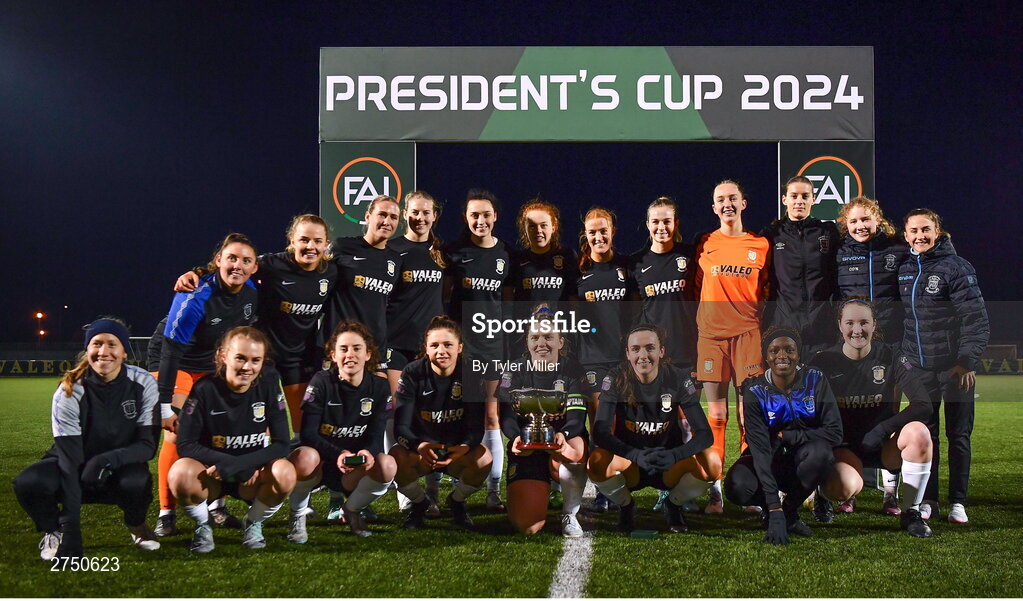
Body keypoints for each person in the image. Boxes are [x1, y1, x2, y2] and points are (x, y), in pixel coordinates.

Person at [14, 318, 161, 559]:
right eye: (97, 344)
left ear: (124, 352)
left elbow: (147, 446)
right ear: (88, 350)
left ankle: (137, 526)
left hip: (118, 468)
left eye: (112, 344)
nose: (104, 352)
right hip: (72, 465)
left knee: (137, 480)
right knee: (29, 482)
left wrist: (105, 460)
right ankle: (54, 530)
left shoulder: (144, 382)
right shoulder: (70, 389)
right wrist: (73, 533)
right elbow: (69, 463)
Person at [174, 215, 337, 433]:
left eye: (317, 241)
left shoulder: (332, 272)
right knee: (256, 424)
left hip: (299, 358)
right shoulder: (271, 264)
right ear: (292, 240)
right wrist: (198, 272)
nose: (310, 246)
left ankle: (293, 465)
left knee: (302, 428)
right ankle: (250, 463)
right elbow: (236, 263)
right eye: (304, 239)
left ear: (326, 244)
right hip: (262, 355)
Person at [151, 233, 260, 536]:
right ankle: (166, 513)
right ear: (218, 262)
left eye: (245, 261)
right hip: (176, 361)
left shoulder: (251, 291)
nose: (238, 265)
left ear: (254, 267)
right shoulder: (194, 295)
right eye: (232, 258)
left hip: (213, 364)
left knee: (222, 429)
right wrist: (163, 407)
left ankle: (217, 507)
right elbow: (172, 352)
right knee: (175, 432)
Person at [808, 298, 934, 537]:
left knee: (919, 433)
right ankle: (822, 494)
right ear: (840, 325)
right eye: (850, 323)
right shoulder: (823, 361)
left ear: (874, 325)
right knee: (842, 488)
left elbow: (923, 404)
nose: (857, 330)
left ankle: (911, 513)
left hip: (883, 445)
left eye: (864, 322)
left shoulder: (891, 356)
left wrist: (883, 428)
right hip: (844, 448)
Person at [169, 326, 295, 553]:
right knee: (180, 473)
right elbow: (185, 444)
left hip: (251, 477)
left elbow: (282, 444)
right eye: (240, 358)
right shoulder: (205, 388)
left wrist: (243, 464)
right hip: (213, 476)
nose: (248, 367)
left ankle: (253, 523)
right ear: (223, 356)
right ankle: (203, 524)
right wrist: (228, 463)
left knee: (285, 472)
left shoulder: (268, 384)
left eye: (256, 360)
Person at [899, 208, 989, 524]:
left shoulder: (956, 267)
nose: (920, 236)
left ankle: (958, 502)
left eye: (926, 230)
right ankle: (930, 500)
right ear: (905, 234)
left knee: (958, 435)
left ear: (937, 231)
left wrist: (966, 363)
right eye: (914, 231)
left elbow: (975, 319)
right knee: (928, 437)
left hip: (954, 370)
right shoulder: (905, 267)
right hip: (920, 370)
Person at [588, 324, 719, 534]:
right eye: (636, 349)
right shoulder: (616, 377)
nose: (643, 355)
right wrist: (634, 454)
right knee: (596, 461)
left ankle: (673, 505)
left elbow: (705, 434)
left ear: (661, 351)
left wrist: (676, 455)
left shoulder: (677, 377)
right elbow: (600, 431)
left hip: (668, 463)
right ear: (627, 353)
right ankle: (626, 506)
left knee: (712, 462)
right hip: (631, 463)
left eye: (650, 348)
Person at [723, 327, 843, 545]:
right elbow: (759, 451)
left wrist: (788, 436)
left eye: (789, 349)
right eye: (774, 350)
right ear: (766, 356)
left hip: (802, 462)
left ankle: (790, 511)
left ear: (798, 354)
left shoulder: (815, 379)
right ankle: (774, 513)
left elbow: (834, 432)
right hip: (769, 461)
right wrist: (773, 506)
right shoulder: (754, 390)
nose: (782, 355)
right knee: (737, 485)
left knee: (821, 452)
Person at [693, 180, 771, 513]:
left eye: (732, 199)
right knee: (717, 414)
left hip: (748, 337)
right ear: (714, 207)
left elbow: (767, 289)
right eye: (720, 199)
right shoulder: (704, 244)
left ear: (743, 203)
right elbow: (696, 287)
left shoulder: (761, 244)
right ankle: (715, 491)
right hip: (711, 338)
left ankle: (748, 488)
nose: (727, 204)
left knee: (747, 413)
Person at [287, 321, 395, 542]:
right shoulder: (321, 382)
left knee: (387, 465)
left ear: (368, 354)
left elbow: (376, 433)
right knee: (304, 457)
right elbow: (308, 434)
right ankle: (297, 516)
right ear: (333, 355)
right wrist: (338, 454)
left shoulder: (380, 386)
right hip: (323, 464)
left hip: (353, 469)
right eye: (343, 349)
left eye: (357, 348)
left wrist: (367, 452)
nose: (350, 355)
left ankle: (352, 510)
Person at [834, 196, 909, 514]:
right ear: (845, 225)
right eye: (853, 221)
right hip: (854, 349)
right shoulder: (839, 254)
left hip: (890, 347)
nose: (860, 226)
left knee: (889, 416)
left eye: (865, 220)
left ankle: (890, 491)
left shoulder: (896, 250)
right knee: (852, 416)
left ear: (877, 219)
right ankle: (849, 490)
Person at [390, 316, 493, 529]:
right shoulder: (412, 373)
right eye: (434, 345)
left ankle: (456, 502)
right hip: (422, 451)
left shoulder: (472, 374)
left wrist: (463, 447)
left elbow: (476, 426)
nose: (441, 351)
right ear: (426, 349)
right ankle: (420, 503)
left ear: (460, 347)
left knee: (483, 459)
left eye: (448, 345)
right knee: (395, 459)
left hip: (455, 451)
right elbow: (401, 426)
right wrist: (419, 445)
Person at [444, 188, 510, 512]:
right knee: (458, 415)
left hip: (493, 345)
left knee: (491, 415)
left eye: (486, 214)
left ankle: (493, 491)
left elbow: (507, 301)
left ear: (495, 216)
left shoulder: (504, 254)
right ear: (466, 218)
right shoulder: (453, 253)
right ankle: (448, 485)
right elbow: (443, 298)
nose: (480, 220)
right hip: (463, 348)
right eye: (474, 215)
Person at [496, 307, 589, 537]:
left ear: (560, 341)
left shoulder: (574, 370)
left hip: (560, 442)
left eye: (548, 337)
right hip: (528, 446)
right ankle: (544, 486)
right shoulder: (514, 369)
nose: (541, 343)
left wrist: (564, 435)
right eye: (535, 337)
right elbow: (507, 416)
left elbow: (577, 418)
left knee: (575, 450)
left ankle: (570, 513)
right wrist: (515, 437)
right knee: (528, 526)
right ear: (527, 342)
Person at [384, 190, 446, 515]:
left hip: (430, 350)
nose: (420, 218)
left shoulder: (440, 252)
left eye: (426, 213)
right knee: (399, 414)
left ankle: (432, 487)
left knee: (429, 416)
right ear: (405, 213)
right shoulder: (392, 249)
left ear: (434, 216)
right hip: (396, 346)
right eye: (414, 212)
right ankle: (406, 494)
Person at [572, 207, 636, 512]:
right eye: (592, 231)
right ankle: (601, 487)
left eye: (603, 230)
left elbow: (638, 314)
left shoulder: (627, 268)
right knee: (601, 423)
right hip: (592, 361)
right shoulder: (578, 273)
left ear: (613, 230)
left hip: (625, 361)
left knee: (624, 425)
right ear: (585, 234)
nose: (598, 236)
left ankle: (620, 480)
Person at [760, 176, 840, 354]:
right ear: (784, 199)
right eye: (794, 196)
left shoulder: (827, 231)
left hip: (822, 327)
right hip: (783, 325)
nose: (799, 201)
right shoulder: (771, 234)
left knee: (820, 380)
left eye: (805, 196)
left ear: (814, 199)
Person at [322, 194, 402, 372]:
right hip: (341, 347)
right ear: (368, 217)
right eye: (382, 214)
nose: (387, 221)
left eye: (393, 217)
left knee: (377, 399)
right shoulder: (341, 246)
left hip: (374, 348)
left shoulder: (395, 260)